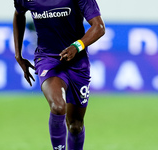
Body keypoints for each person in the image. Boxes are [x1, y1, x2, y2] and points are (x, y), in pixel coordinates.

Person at [13, 0, 105, 149]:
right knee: (58, 106)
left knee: (75, 125)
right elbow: (19, 14)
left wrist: (77, 46)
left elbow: (99, 27)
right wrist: (18, 54)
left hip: (77, 62)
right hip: (48, 59)